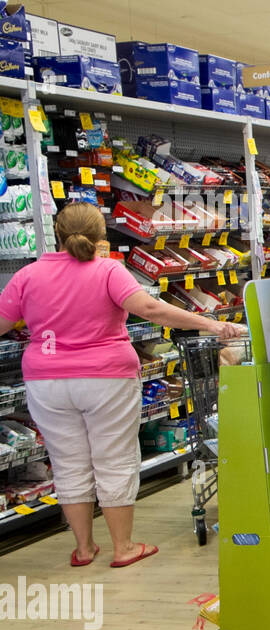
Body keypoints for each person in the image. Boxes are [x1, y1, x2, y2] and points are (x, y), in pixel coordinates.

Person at [0, 202, 245, 568]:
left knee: (68, 464)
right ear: (100, 238)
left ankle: (83, 549)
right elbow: (152, 310)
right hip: (106, 378)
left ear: (57, 233)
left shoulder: (28, 276)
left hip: (47, 380)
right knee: (114, 459)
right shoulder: (108, 271)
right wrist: (209, 325)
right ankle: (124, 546)